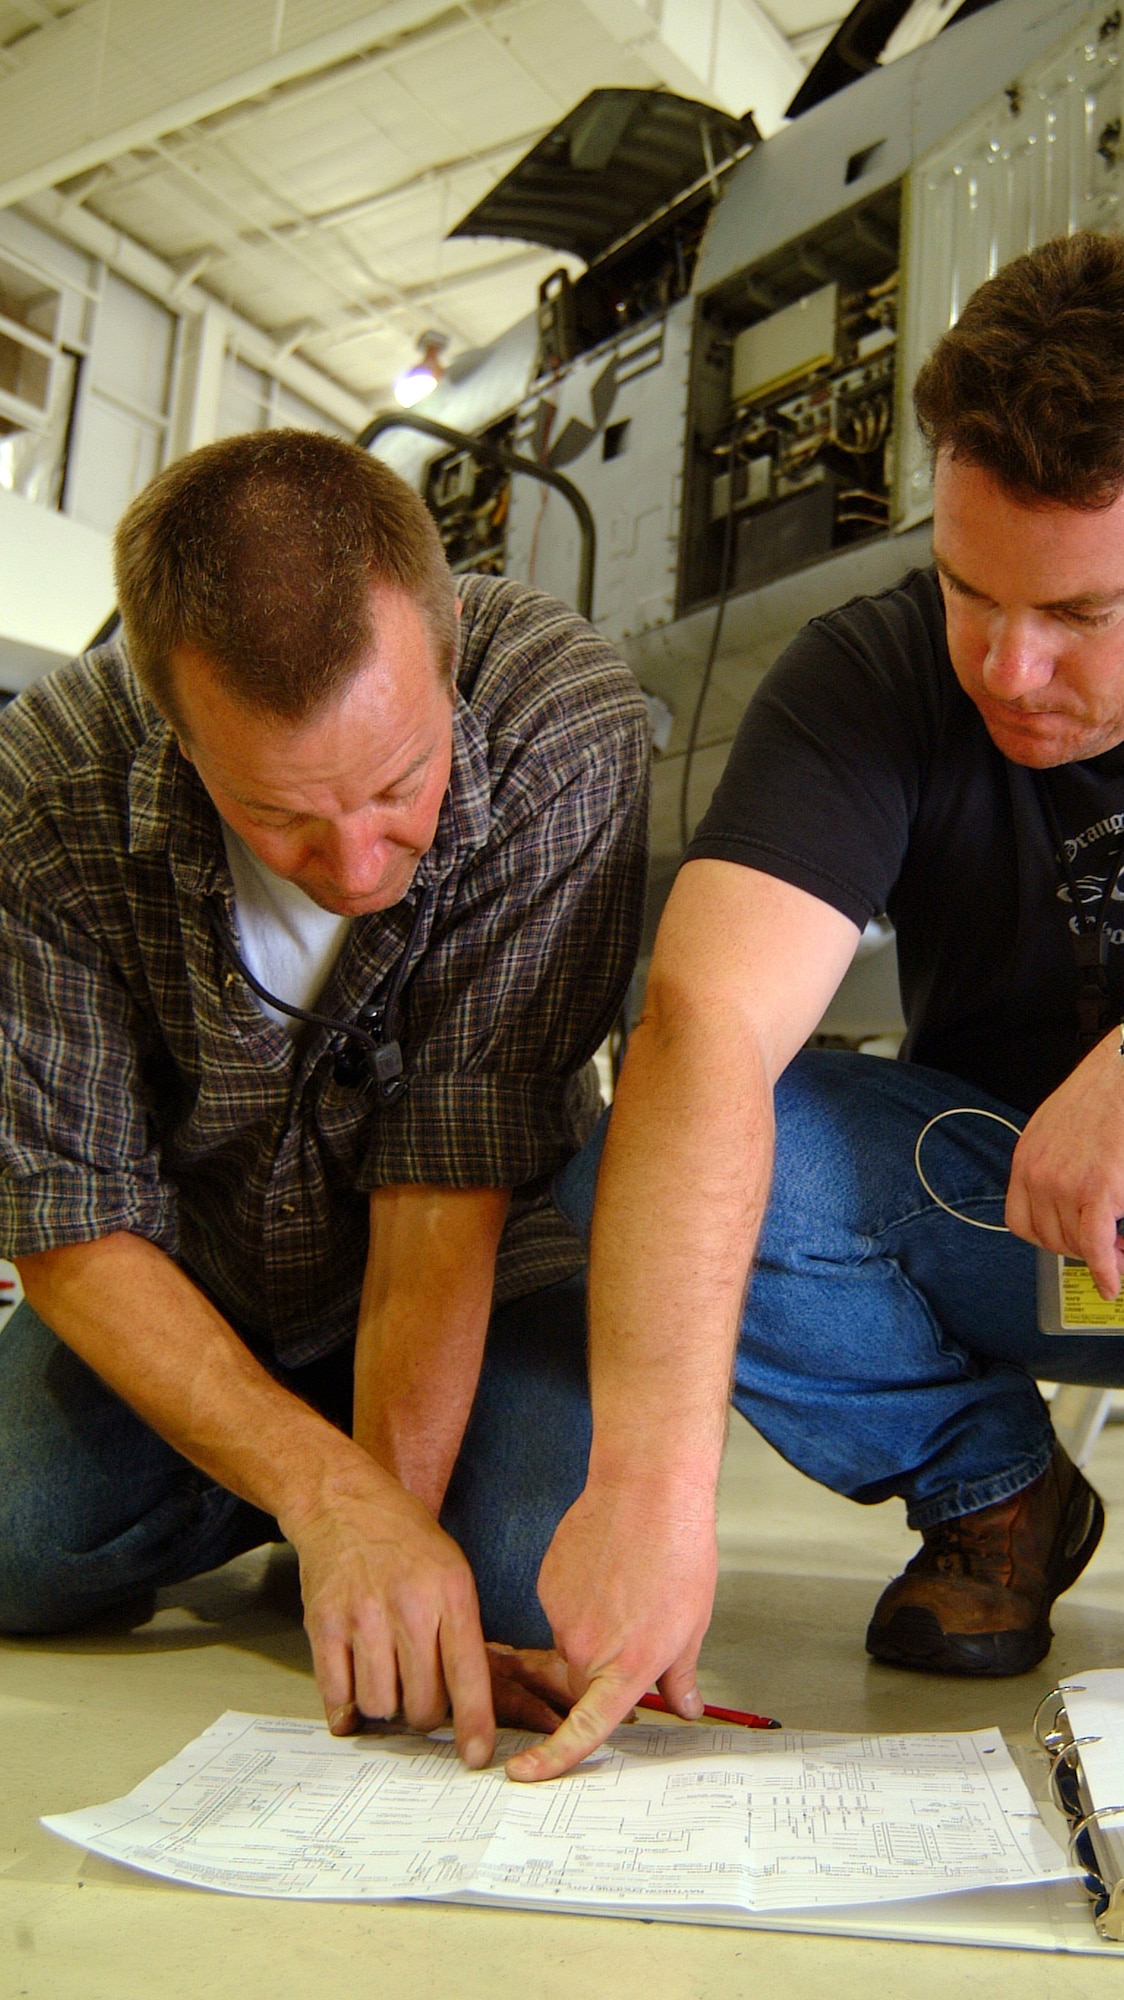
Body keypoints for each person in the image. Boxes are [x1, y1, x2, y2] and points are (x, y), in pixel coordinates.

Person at [510, 229, 1124, 1783]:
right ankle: (995, 1495)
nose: (1007, 669)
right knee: (653, 1145)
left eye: (1081, 614)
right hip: (994, 1207)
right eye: (970, 589)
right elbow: (701, 1027)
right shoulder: (867, 674)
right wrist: (650, 1484)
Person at [0, 429, 648, 1767]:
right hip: (203, 1275)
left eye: (401, 783)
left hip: (488, 1258)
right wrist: (337, 1504)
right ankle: (268, 1479)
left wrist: (385, 1519)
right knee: (13, 1543)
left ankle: (271, 1492)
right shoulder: (36, 799)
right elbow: (69, 1218)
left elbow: (446, 1180)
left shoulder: (558, 725)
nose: (355, 864)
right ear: (169, 724)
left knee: (530, 1589)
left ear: (446, 638)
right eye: (278, 815)